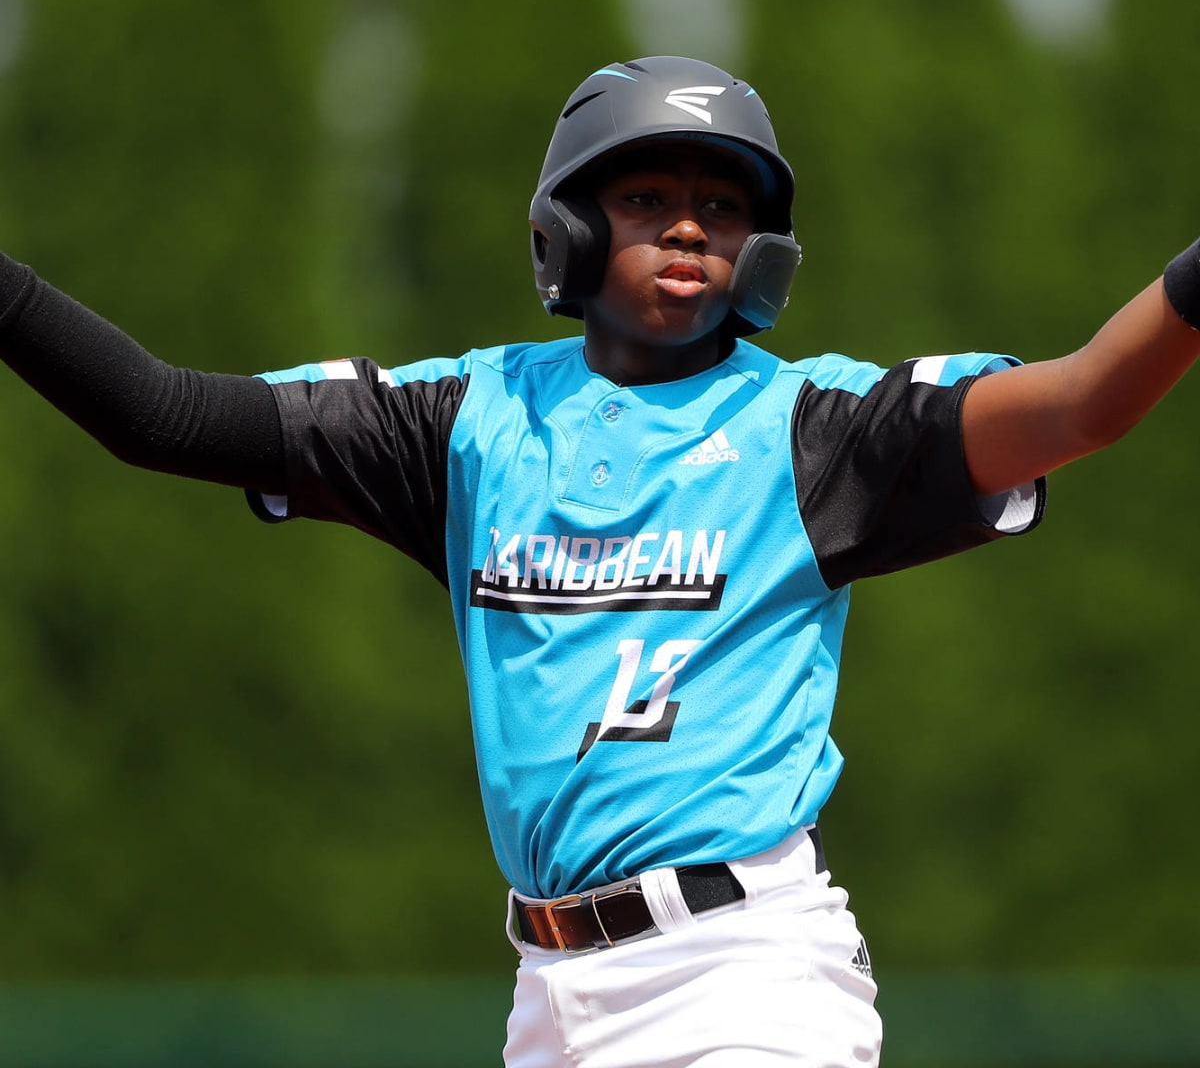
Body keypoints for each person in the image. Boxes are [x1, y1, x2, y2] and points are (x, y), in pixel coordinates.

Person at [2, 54, 1199, 1067]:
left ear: (762, 251)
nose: (689, 225)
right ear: (565, 231)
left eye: (723, 208)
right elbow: (161, 417)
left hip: (746, 977)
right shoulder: (468, 423)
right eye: (646, 197)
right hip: (549, 996)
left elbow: (1081, 404)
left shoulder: (816, 431)